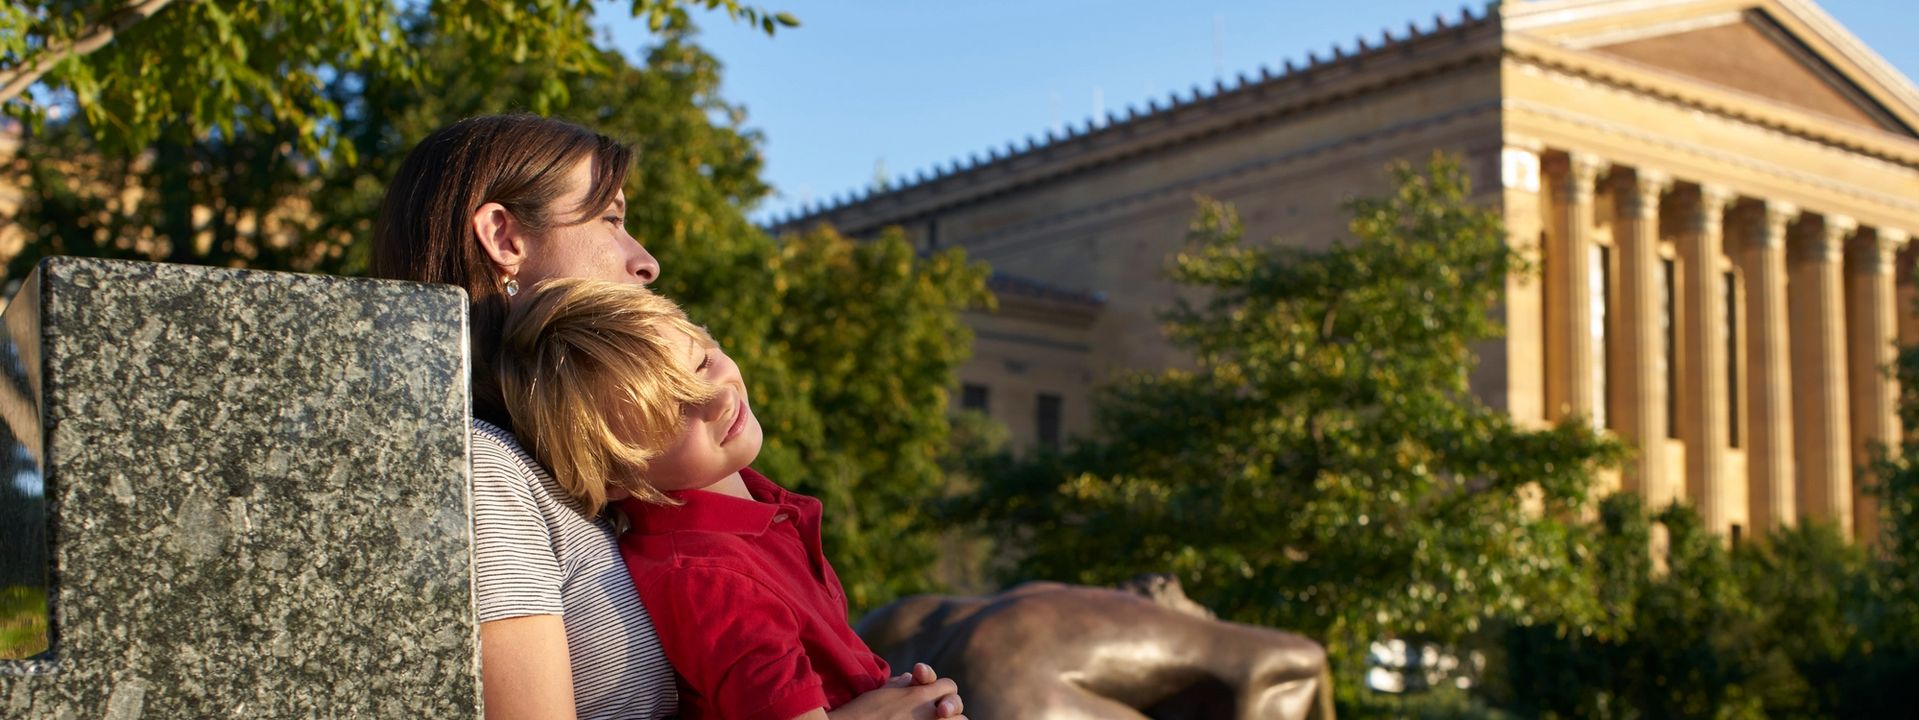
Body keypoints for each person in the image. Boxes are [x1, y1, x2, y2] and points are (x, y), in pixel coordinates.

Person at [372, 114, 963, 720]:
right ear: (505, 238)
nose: (647, 262)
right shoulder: (491, 471)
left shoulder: (583, 471)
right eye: (611, 218)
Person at [495, 277, 960, 720]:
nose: (715, 399)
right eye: (671, 412)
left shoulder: (754, 521)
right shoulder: (707, 576)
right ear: (615, 475)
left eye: (701, 363)